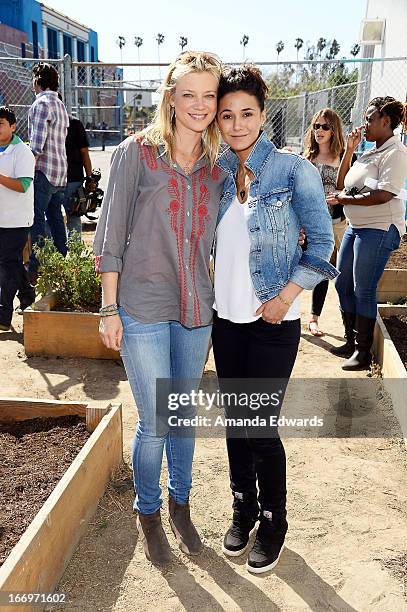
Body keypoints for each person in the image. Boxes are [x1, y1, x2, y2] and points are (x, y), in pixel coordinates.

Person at [94, 51, 225, 565]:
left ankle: (181, 506)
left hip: (196, 310)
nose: (199, 104)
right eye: (187, 93)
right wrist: (108, 309)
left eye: (208, 95)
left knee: (183, 414)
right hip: (142, 308)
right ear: (170, 97)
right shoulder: (135, 153)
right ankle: (148, 511)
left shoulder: (219, 169)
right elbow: (109, 236)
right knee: (155, 421)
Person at [212, 65, 338, 574]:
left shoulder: (292, 171)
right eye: (227, 115)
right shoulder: (217, 172)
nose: (237, 124)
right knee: (236, 423)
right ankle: (243, 504)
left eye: (247, 113)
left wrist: (286, 298)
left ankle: (274, 519)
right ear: (217, 120)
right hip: (225, 319)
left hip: (271, 321)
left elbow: (323, 242)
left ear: (263, 114)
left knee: (261, 426)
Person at [327, 96, 407, 370]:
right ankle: (351, 342)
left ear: (386, 122)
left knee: (364, 288)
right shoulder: (371, 151)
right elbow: (341, 184)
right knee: (342, 284)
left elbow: (384, 194)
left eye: (370, 118)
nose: (365, 123)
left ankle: (363, 353)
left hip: (379, 228)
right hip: (357, 227)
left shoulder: (395, 152)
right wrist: (349, 151)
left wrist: (344, 200)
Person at [303, 108, 355, 337]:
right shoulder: (307, 157)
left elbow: (353, 188)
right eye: (316, 126)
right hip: (310, 224)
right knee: (306, 267)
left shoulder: (345, 156)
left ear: (334, 129)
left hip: (337, 222)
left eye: (325, 126)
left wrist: (341, 196)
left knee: (335, 271)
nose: (319, 131)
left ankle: (322, 320)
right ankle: (301, 317)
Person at [28, 62, 69, 284]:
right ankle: (62, 264)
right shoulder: (60, 105)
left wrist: (25, 169)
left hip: (43, 171)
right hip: (60, 171)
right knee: (55, 220)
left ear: (38, 80)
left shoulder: (41, 103)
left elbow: (37, 145)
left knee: (35, 219)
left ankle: (35, 268)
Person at [0, 107, 35, 331]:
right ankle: (28, 294)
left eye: (0, 123)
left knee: (6, 263)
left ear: (13, 127)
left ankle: (3, 315)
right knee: (10, 262)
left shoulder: (22, 152)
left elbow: (23, 186)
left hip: (16, 220)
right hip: (1, 218)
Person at [63, 114, 94, 238]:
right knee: (54, 217)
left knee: (74, 216)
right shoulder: (44, 122)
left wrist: (90, 177)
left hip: (72, 179)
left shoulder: (74, 123)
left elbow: (84, 152)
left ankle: (74, 252)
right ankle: (59, 250)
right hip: (52, 179)